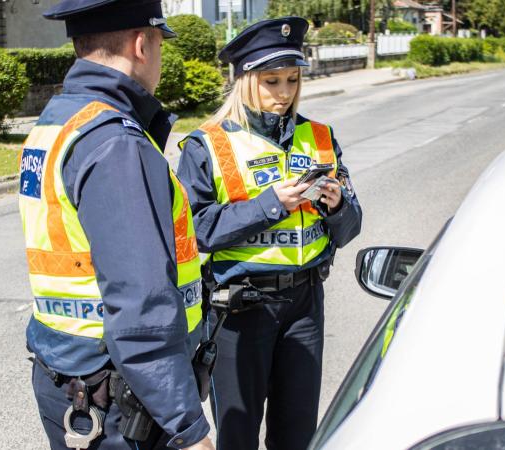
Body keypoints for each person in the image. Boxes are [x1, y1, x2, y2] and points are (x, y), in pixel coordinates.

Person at [17, 1, 213, 449]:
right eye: (161, 43)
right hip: (123, 399)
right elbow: (141, 307)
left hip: (71, 379)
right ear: (142, 44)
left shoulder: (59, 120)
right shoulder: (116, 142)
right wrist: (189, 427)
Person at [176, 17, 362, 450]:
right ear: (244, 81)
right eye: (271, 81)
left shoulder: (319, 137)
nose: (283, 93)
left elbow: (351, 227)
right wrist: (272, 205)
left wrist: (336, 206)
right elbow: (196, 232)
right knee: (237, 436)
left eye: (292, 80)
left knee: (297, 435)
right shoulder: (207, 146)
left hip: (304, 304)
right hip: (240, 309)